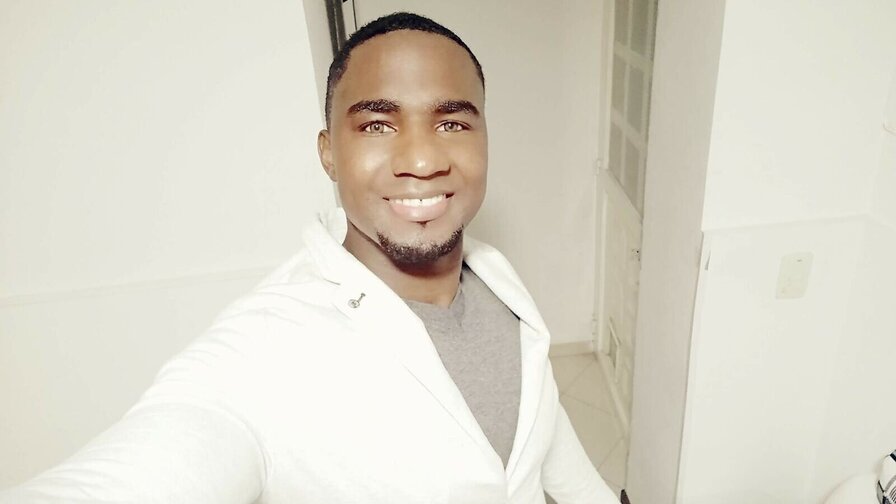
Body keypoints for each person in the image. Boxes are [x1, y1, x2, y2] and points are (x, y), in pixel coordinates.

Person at [0, 12, 619, 504]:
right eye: (377, 125)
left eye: (452, 123)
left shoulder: (497, 278)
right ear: (328, 153)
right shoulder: (261, 352)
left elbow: (549, 445)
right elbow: (173, 445)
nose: (422, 159)